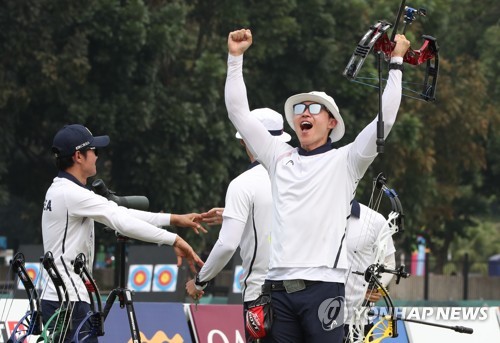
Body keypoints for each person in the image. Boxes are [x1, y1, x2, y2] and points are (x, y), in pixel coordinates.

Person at [224, 28, 410, 342]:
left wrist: (396, 62)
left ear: (332, 122)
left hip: (324, 289)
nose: (304, 114)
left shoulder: (347, 160)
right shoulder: (277, 155)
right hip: (277, 289)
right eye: (299, 109)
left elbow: (385, 120)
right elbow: (238, 113)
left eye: (313, 109)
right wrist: (235, 59)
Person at [41, 124, 205, 342]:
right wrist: (173, 239)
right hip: (69, 300)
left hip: (61, 298)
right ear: (78, 156)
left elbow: (120, 213)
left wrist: (174, 220)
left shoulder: (63, 190)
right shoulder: (70, 193)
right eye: (94, 151)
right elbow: (122, 222)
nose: (97, 157)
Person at [186, 108, 291, 341]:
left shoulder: (243, 184)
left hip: (263, 296)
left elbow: (226, 244)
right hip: (306, 294)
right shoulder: (303, 174)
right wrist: (235, 215)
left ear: (246, 139)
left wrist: (200, 281)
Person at [344, 200, 396, 342]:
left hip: (358, 323)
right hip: (317, 318)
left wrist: (375, 287)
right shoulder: (316, 215)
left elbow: (389, 263)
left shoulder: (375, 219)